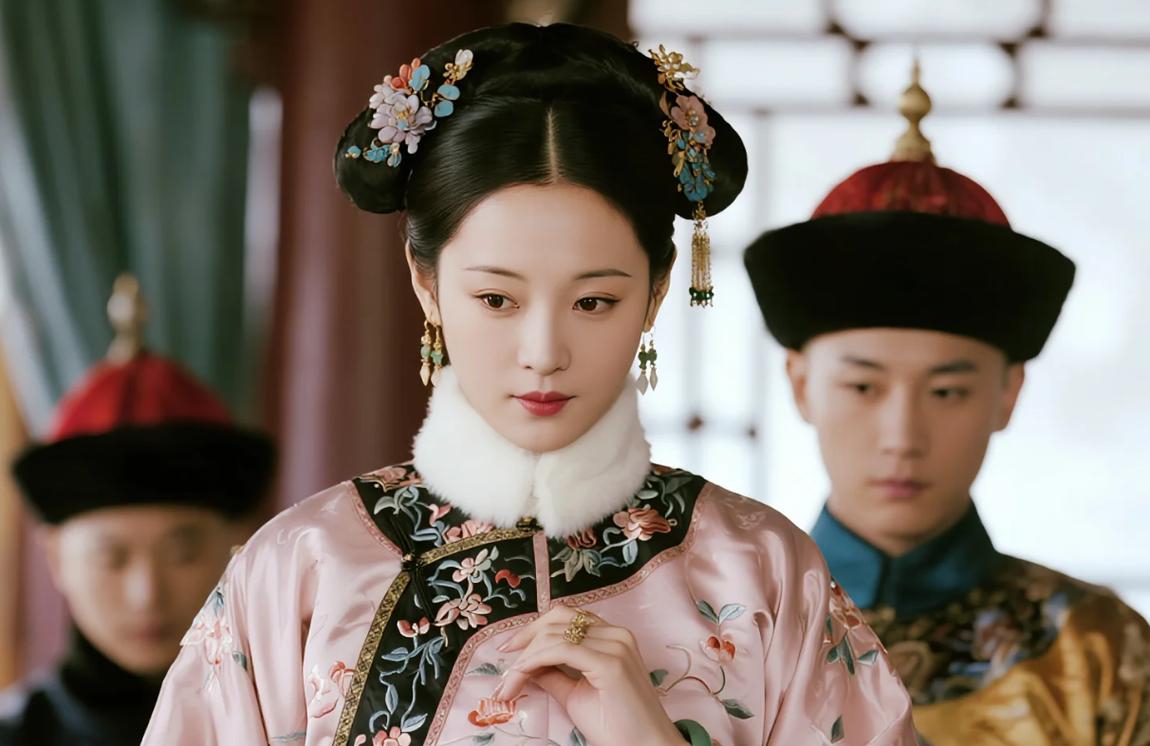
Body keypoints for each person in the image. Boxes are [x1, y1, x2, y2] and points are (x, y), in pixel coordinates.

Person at [142, 23, 916, 746]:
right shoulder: (301, 569)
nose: (543, 353)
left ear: (655, 291)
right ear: (425, 283)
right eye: (496, 299)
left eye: (594, 302)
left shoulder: (762, 571)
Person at [743, 67, 1150, 745]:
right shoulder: (720, 628)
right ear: (802, 384)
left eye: (947, 392)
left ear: (1007, 394)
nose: (902, 436)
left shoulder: (1099, 652)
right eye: (864, 387)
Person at [0, 275, 275, 746]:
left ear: (239, 546)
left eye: (183, 553)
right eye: (111, 558)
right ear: (56, 558)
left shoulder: (292, 721)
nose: (146, 595)